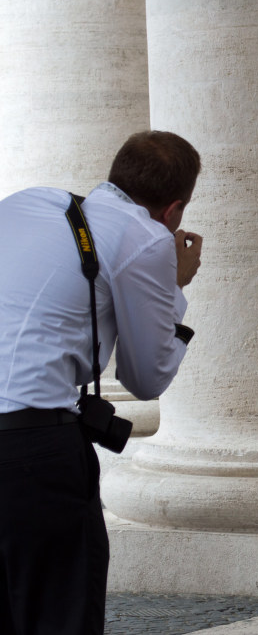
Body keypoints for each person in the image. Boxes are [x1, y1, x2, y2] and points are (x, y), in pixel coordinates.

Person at [0, 131, 203, 634]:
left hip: (22, 439)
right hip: (31, 452)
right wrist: (175, 286)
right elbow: (146, 377)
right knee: (60, 616)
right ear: (174, 210)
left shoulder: (27, 203)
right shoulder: (146, 239)